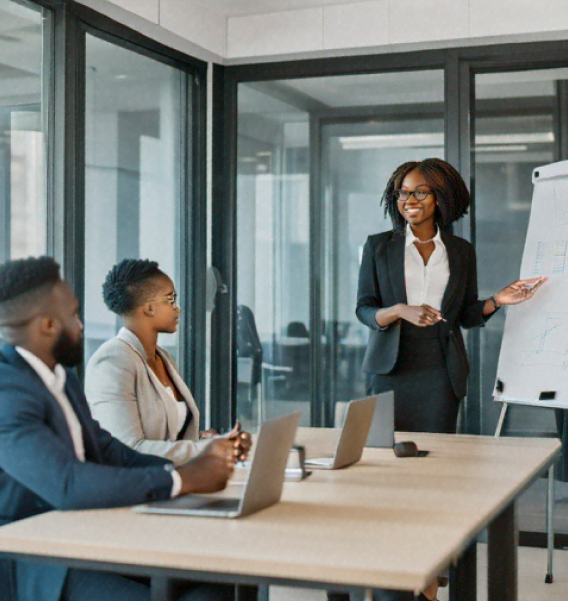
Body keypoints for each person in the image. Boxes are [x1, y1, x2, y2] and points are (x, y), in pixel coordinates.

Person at [0, 256, 246, 601]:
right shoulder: (6, 393)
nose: (82, 325)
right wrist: (183, 479)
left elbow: (111, 451)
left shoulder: (60, 378)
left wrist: (196, 468)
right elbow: (67, 483)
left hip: (87, 533)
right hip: (32, 559)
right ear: (46, 325)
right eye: (73, 315)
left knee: (215, 582)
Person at [354, 158, 545, 601]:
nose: (409, 201)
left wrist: (497, 300)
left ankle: (427, 576)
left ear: (440, 196)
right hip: (389, 370)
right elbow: (364, 308)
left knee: (432, 476)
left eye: (419, 192)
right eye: (403, 192)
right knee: (386, 473)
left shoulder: (459, 251)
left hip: (440, 370)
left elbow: (463, 315)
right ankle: (388, 568)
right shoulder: (378, 246)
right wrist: (399, 310)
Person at [85, 259, 248, 465]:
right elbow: (126, 450)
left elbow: (168, 438)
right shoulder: (112, 362)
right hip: (135, 491)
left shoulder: (163, 358)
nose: (177, 309)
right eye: (171, 300)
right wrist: (202, 449)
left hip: (172, 481)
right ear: (150, 308)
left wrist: (204, 441)